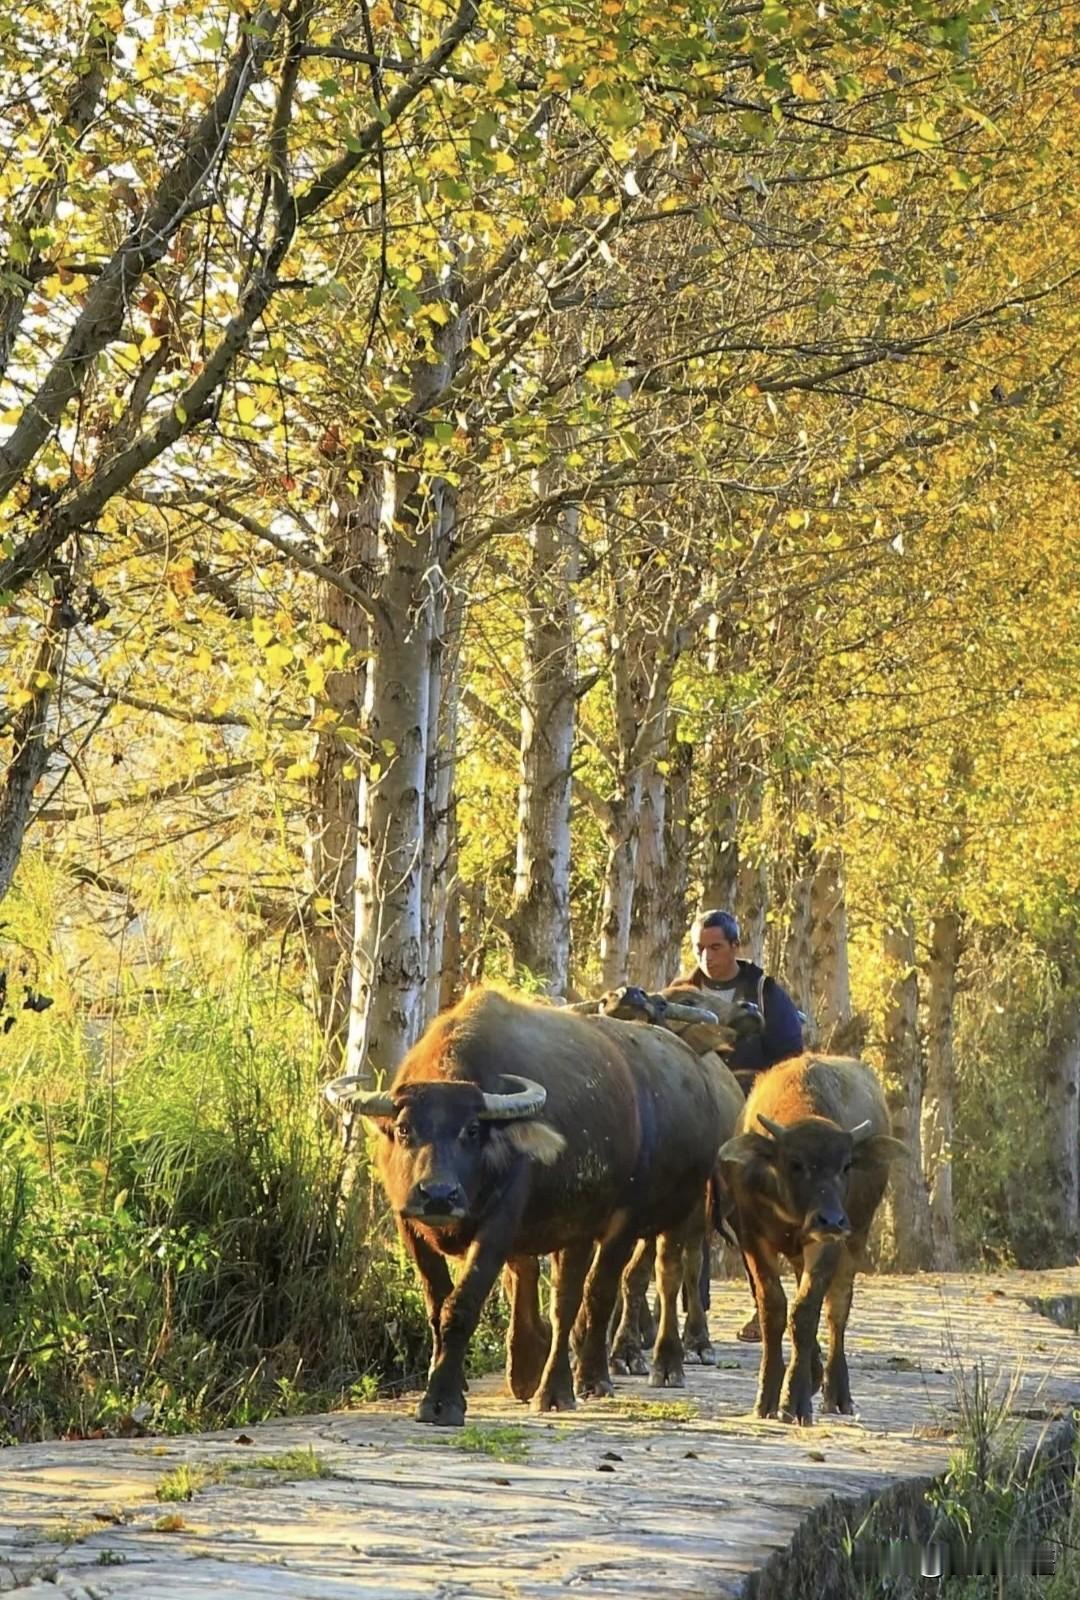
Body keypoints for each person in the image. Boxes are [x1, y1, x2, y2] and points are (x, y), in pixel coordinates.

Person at [675, 908, 805, 1341]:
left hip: (751, 1108)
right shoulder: (682, 994)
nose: (707, 957)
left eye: (715, 947)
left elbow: (789, 1056)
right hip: (695, 1109)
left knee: (747, 1210)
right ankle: (691, 1314)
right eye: (700, 948)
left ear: (735, 946)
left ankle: (766, 1305)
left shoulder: (765, 991)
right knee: (686, 1211)